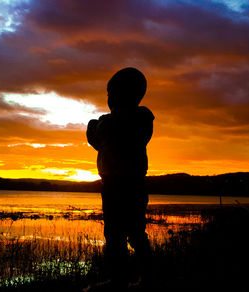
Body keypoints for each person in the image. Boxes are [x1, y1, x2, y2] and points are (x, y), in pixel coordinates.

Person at [86, 67, 154, 289]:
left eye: (111, 93)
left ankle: (135, 278)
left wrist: (92, 126)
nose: (109, 98)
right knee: (120, 234)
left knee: (127, 234)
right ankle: (123, 278)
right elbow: (99, 141)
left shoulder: (136, 118)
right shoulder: (138, 119)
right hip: (118, 184)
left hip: (124, 185)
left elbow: (98, 135)